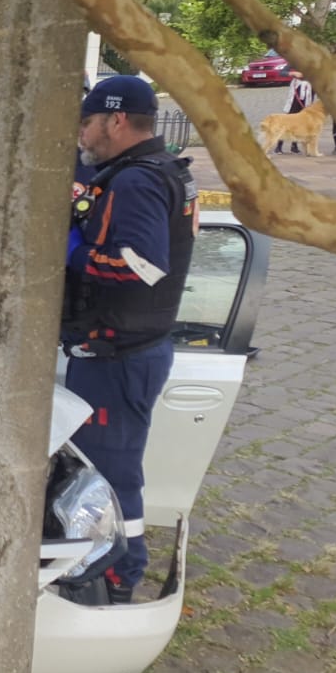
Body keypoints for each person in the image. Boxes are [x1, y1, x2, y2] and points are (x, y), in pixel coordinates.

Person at [64, 75, 197, 604]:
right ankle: (111, 564)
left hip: (117, 355)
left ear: (115, 121)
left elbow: (142, 268)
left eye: (87, 122)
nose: (82, 132)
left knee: (111, 472)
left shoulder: (135, 182)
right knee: (110, 466)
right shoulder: (153, 171)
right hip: (125, 350)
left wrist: (71, 251)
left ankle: (118, 576)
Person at [274, 71, 314, 154]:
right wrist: (293, 73)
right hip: (295, 97)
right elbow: (282, 73)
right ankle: (279, 146)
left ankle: (294, 146)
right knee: (287, 122)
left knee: (300, 124)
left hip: (309, 93)